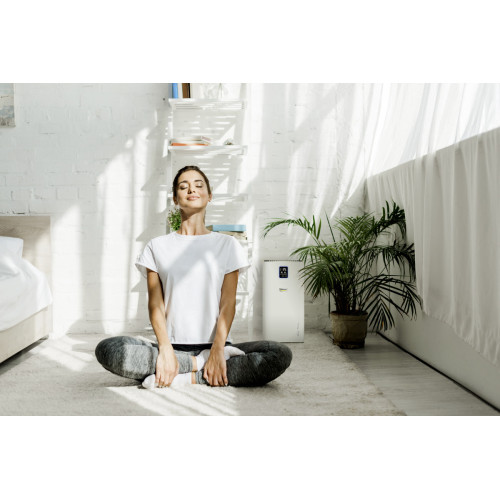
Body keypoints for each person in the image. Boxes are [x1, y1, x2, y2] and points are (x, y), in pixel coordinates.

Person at [95, 165, 292, 388]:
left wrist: (217, 349)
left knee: (278, 353)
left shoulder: (228, 245)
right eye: (183, 186)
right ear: (175, 198)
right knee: (109, 349)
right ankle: (199, 364)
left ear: (209, 196)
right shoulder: (156, 247)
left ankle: (185, 375)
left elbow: (228, 304)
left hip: (217, 345)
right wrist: (165, 349)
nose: (191, 189)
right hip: (171, 346)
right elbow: (155, 305)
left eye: (199, 185)